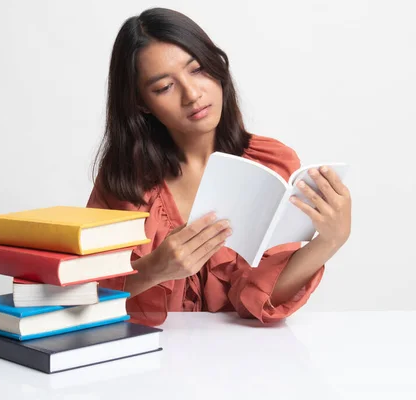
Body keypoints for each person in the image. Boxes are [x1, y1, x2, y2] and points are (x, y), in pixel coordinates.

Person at [86, 8, 352, 327]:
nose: (193, 94)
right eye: (163, 87)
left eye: (197, 69)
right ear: (142, 103)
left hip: (247, 364)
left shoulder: (272, 164)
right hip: (150, 362)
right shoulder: (123, 183)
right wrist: (155, 268)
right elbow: (85, 297)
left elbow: (257, 298)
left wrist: (330, 241)